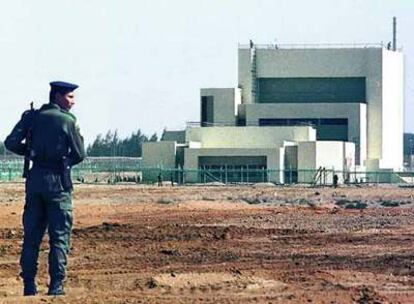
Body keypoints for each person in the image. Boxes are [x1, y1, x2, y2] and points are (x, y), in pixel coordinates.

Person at [4, 81, 86, 296]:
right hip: (58, 182)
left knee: (32, 236)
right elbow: (80, 153)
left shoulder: (31, 117)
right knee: (59, 236)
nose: (73, 102)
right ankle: (56, 287)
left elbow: (10, 142)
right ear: (57, 96)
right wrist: (61, 160)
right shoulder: (67, 121)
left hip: (35, 180)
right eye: (70, 97)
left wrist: (31, 153)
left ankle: (29, 286)